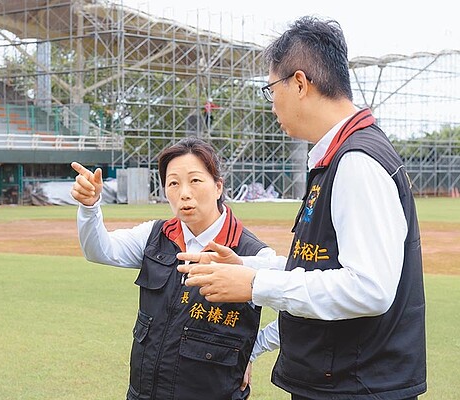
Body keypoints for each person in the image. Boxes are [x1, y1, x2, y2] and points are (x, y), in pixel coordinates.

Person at [177, 16, 427, 400]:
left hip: (355, 385)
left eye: (270, 88)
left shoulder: (357, 161)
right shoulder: (336, 158)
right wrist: (248, 266)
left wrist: (255, 285)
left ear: (299, 83)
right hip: (340, 379)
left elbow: (370, 288)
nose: (271, 102)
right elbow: (323, 265)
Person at [71, 137, 278, 400]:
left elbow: (298, 309)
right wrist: (89, 208)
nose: (184, 193)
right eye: (173, 183)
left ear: (217, 187)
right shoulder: (154, 236)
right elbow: (100, 250)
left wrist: (255, 348)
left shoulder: (251, 253)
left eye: (195, 180)